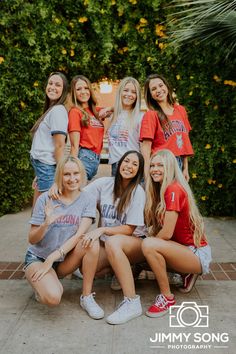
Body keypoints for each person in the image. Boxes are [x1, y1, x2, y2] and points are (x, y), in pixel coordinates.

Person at [24, 156, 105, 320]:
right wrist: (46, 223)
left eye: (76, 173)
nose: (72, 178)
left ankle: (87, 297)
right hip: (39, 257)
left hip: (63, 259)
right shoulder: (45, 199)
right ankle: (42, 286)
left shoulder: (87, 199)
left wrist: (53, 258)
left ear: (82, 174)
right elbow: (32, 239)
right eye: (67, 174)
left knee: (91, 242)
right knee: (53, 298)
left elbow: (79, 235)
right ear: (60, 176)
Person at [142, 149, 212, 318]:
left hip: (196, 254)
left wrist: (150, 246)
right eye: (152, 165)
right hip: (184, 249)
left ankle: (167, 297)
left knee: (148, 246)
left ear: (170, 167)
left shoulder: (173, 189)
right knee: (146, 247)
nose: (154, 169)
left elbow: (166, 234)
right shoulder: (161, 189)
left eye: (160, 165)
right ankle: (186, 273)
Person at [83, 150, 147, 325]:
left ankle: (132, 301)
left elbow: (129, 229)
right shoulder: (104, 184)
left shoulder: (137, 192)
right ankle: (123, 269)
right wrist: (55, 186)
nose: (129, 166)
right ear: (120, 163)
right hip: (110, 243)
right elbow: (79, 194)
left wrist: (102, 229)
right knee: (87, 268)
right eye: (127, 161)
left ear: (139, 171)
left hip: (134, 243)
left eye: (135, 164)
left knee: (113, 242)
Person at [140, 74, 193, 181]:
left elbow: (185, 140)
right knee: (164, 196)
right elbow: (146, 147)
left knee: (176, 196)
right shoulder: (151, 115)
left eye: (161, 85)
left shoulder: (181, 110)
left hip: (179, 163)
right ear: (150, 95)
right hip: (162, 164)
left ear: (167, 87)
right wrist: (147, 173)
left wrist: (185, 168)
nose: (158, 90)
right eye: (154, 89)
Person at [30, 72, 69, 205]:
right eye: (50, 83)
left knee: (45, 214)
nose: (52, 87)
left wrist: (59, 177)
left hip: (47, 169)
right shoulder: (52, 110)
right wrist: (39, 173)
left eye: (58, 85)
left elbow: (59, 146)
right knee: (38, 213)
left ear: (63, 90)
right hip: (43, 168)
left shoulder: (58, 110)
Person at [68, 75, 112, 181]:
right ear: (73, 93)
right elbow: (74, 145)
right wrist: (71, 168)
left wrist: (109, 108)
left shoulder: (95, 111)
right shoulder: (75, 112)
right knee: (77, 193)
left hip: (96, 159)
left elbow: (119, 109)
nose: (83, 91)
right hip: (84, 157)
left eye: (86, 88)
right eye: (78, 89)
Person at [105, 77, 144, 176]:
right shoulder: (111, 114)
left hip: (132, 165)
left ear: (137, 96)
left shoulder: (141, 116)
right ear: (120, 92)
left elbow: (144, 146)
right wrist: (110, 108)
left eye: (133, 92)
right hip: (115, 164)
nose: (129, 94)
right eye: (126, 90)